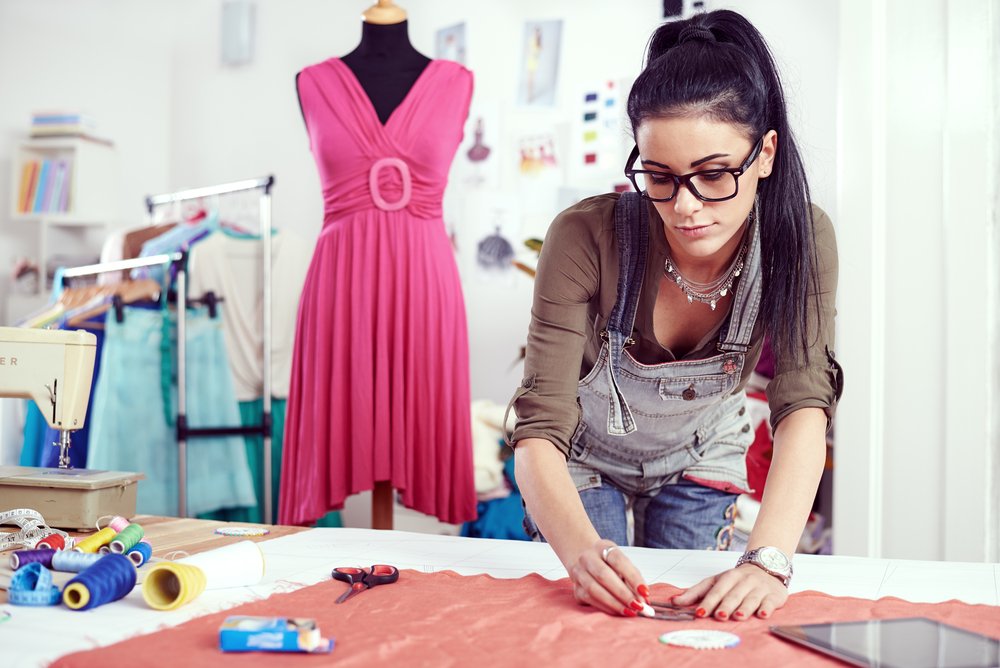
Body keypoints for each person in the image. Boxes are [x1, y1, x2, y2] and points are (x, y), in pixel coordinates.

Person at [507, 9, 843, 622]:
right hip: (582, 454)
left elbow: (803, 406)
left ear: (764, 153)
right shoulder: (586, 235)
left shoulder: (801, 237)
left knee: (695, 627)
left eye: (714, 175)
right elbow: (537, 429)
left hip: (700, 455)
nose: (685, 207)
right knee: (600, 620)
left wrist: (767, 559)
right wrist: (582, 556)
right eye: (659, 177)